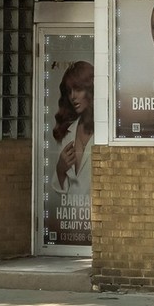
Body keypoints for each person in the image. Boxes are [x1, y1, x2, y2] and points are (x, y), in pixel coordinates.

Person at [52, 60, 94, 208]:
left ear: (90, 90)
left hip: (97, 218)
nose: (73, 96)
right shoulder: (67, 132)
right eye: (69, 91)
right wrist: (60, 168)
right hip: (71, 220)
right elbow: (58, 190)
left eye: (78, 89)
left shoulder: (104, 132)